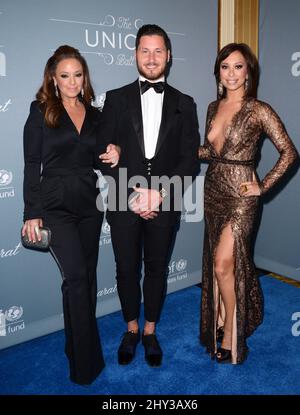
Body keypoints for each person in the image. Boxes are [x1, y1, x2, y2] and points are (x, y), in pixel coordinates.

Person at [99, 24, 199, 367]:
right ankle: (130, 328)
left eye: (158, 51)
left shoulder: (185, 103)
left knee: (157, 268)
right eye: (145, 50)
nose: (152, 58)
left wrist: (159, 194)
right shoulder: (114, 99)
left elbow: (189, 160)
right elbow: (106, 153)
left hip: (165, 201)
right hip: (123, 201)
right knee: (126, 269)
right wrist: (132, 195)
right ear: (135, 55)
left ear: (168, 56)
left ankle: (150, 331)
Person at [22, 45, 120, 385]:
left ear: (84, 77)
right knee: (77, 278)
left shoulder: (95, 115)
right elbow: (33, 163)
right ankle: (86, 363)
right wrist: (32, 212)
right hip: (55, 205)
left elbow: (100, 158)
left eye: (78, 75)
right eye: (65, 75)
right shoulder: (41, 111)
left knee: (85, 280)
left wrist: (114, 152)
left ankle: (73, 346)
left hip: (89, 204)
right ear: (53, 77)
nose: (72, 81)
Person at [198, 43, 299, 364]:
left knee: (223, 264)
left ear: (248, 73)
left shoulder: (259, 109)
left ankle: (232, 335)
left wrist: (263, 186)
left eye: (238, 67)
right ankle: (224, 319)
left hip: (242, 196)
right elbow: (211, 152)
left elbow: (289, 152)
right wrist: (174, 149)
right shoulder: (213, 108)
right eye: (225, 67)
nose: (231, 73)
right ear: (218, 72)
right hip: (213, 190)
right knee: (219, 264)